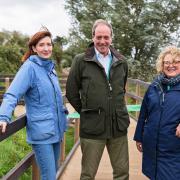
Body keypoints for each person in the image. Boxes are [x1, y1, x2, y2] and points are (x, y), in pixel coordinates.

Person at [66, 19, 130, 180]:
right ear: (93, 37)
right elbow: (71, 91)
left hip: (118, 126)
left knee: (122, 173)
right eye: (99, 37)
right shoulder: (81, 60)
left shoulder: (122, 62)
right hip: (92, 127)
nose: (102, 41)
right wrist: (86, 111)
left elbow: (121, 89)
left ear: (111, 38)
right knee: (88, 174)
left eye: (106, 37)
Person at [0, 29, 67, 180]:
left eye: (49, 44)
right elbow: (12, 94)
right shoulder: (29, 68)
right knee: (49, 176)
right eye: (41, 45)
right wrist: (3, 116)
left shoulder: (50, 69)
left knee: (54, 170)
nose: (46, 48)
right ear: (34, 48)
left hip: (56, 131)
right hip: (41, 133)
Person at [134, 46, 180, 180]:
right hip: (152, 146)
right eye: (167, 62)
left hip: (173, 147)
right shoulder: (154, 86)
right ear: (162, 65)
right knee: (154, 175)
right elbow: (143, 113)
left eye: (176, 62)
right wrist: (139, 136)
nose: (171, 65)